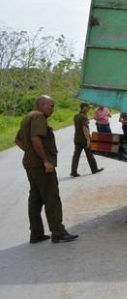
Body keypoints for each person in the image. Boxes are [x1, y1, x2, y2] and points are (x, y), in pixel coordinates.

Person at [14, 95, 79, 244]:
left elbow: (17, 140)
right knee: (51, 196)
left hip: (30, 163)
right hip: (40, 165)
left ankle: (36, 234)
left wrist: (29, 151)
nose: (53, 109)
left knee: (35, 197)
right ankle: (58, 232)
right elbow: (35, 138)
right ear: (42, 105)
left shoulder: (27, 117)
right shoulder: (38, 117)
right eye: (51, 106)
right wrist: (45, 160)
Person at [71, 103, 103, 177]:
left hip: (77, 138)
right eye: (88, 107)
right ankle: (94, 169)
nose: (89, 109)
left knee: (76, 155)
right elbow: (84, 128)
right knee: (90, 154)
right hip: (84, 139)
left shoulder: (76, 116)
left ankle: (73, 171)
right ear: (84, 107)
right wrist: (88, 140)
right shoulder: (83, 117)